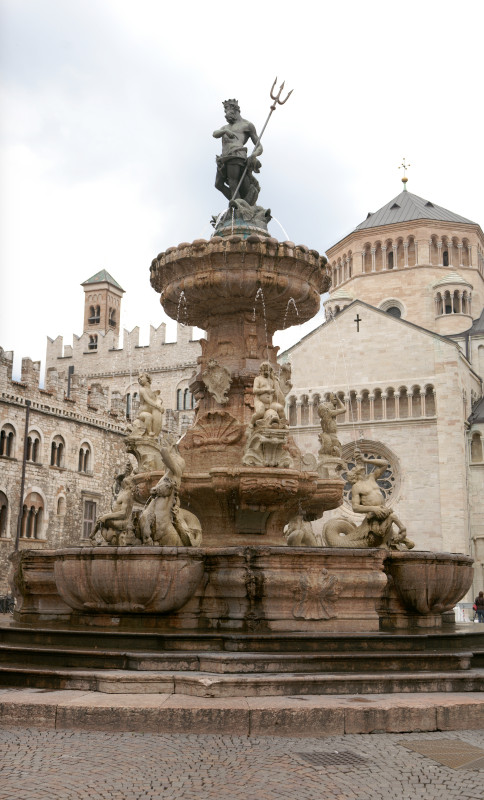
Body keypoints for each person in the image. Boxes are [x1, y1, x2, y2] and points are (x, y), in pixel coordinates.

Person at [347, 449, 414, 549]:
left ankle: (398, 540)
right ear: (354, 475)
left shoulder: (372, 477)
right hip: (374, 517)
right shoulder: (357, 486)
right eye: (354, 468)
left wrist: (365, 460)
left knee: (409, 544)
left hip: (384, 512)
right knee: (388, 527)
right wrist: (374, 509)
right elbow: (355, 507)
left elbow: (385, 464)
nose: (357, 466)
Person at [213, 99, 263, 205]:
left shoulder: (247, 125)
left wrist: (254, 155)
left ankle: (237, 205)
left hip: (236, 154)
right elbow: (215, 134)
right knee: (218, 184)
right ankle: (239, 203)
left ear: (235, 111)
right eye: (225, 113)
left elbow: (259, 146)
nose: (226, 116)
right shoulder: (225, 127)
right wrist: (225, 131)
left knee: (233, 182)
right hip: (223, 158)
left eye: (229, 112)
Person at [251, 361, 286, 427]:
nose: (266, 372)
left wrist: (275, 380)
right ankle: (251, 422)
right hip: (260, 402)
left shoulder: (271, 380)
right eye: (264, 370)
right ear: (261, 370)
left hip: (270, 403)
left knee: (280, 408)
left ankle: (284, 424)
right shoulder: (258, 379)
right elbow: (254, 390)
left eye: (268, 370)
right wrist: (266, 390)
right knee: (260, 413)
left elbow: (277, 392)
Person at [133, 373, 164, 437]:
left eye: (141, 377)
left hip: (151, 411)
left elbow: (156, 400)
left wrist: (160, 403)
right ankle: (149, 432)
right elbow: (148, 400)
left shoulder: (150, 391)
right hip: (142, 413)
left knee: (152, 417)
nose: (139, 379)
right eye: (138, 378)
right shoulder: (142, 389)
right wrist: (158, 407)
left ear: (147, 379)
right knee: (148, 416)